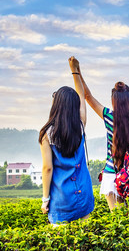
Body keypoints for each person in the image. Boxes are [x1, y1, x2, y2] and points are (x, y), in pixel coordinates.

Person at [76, 61, 129, 210]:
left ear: (113, 101)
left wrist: (77, 71)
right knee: (126, 218)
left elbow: (88, 97)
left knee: (119, 221)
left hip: (112, 174)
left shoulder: (109, 117)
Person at [39, 56, 94, 224]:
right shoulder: (80, 125)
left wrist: (45, 199)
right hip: (84, 194)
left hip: (61, 200)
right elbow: (81, 96)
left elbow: (47, 169)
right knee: (85, 240)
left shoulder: (46, 134)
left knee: (62, 245)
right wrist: (75, 70)